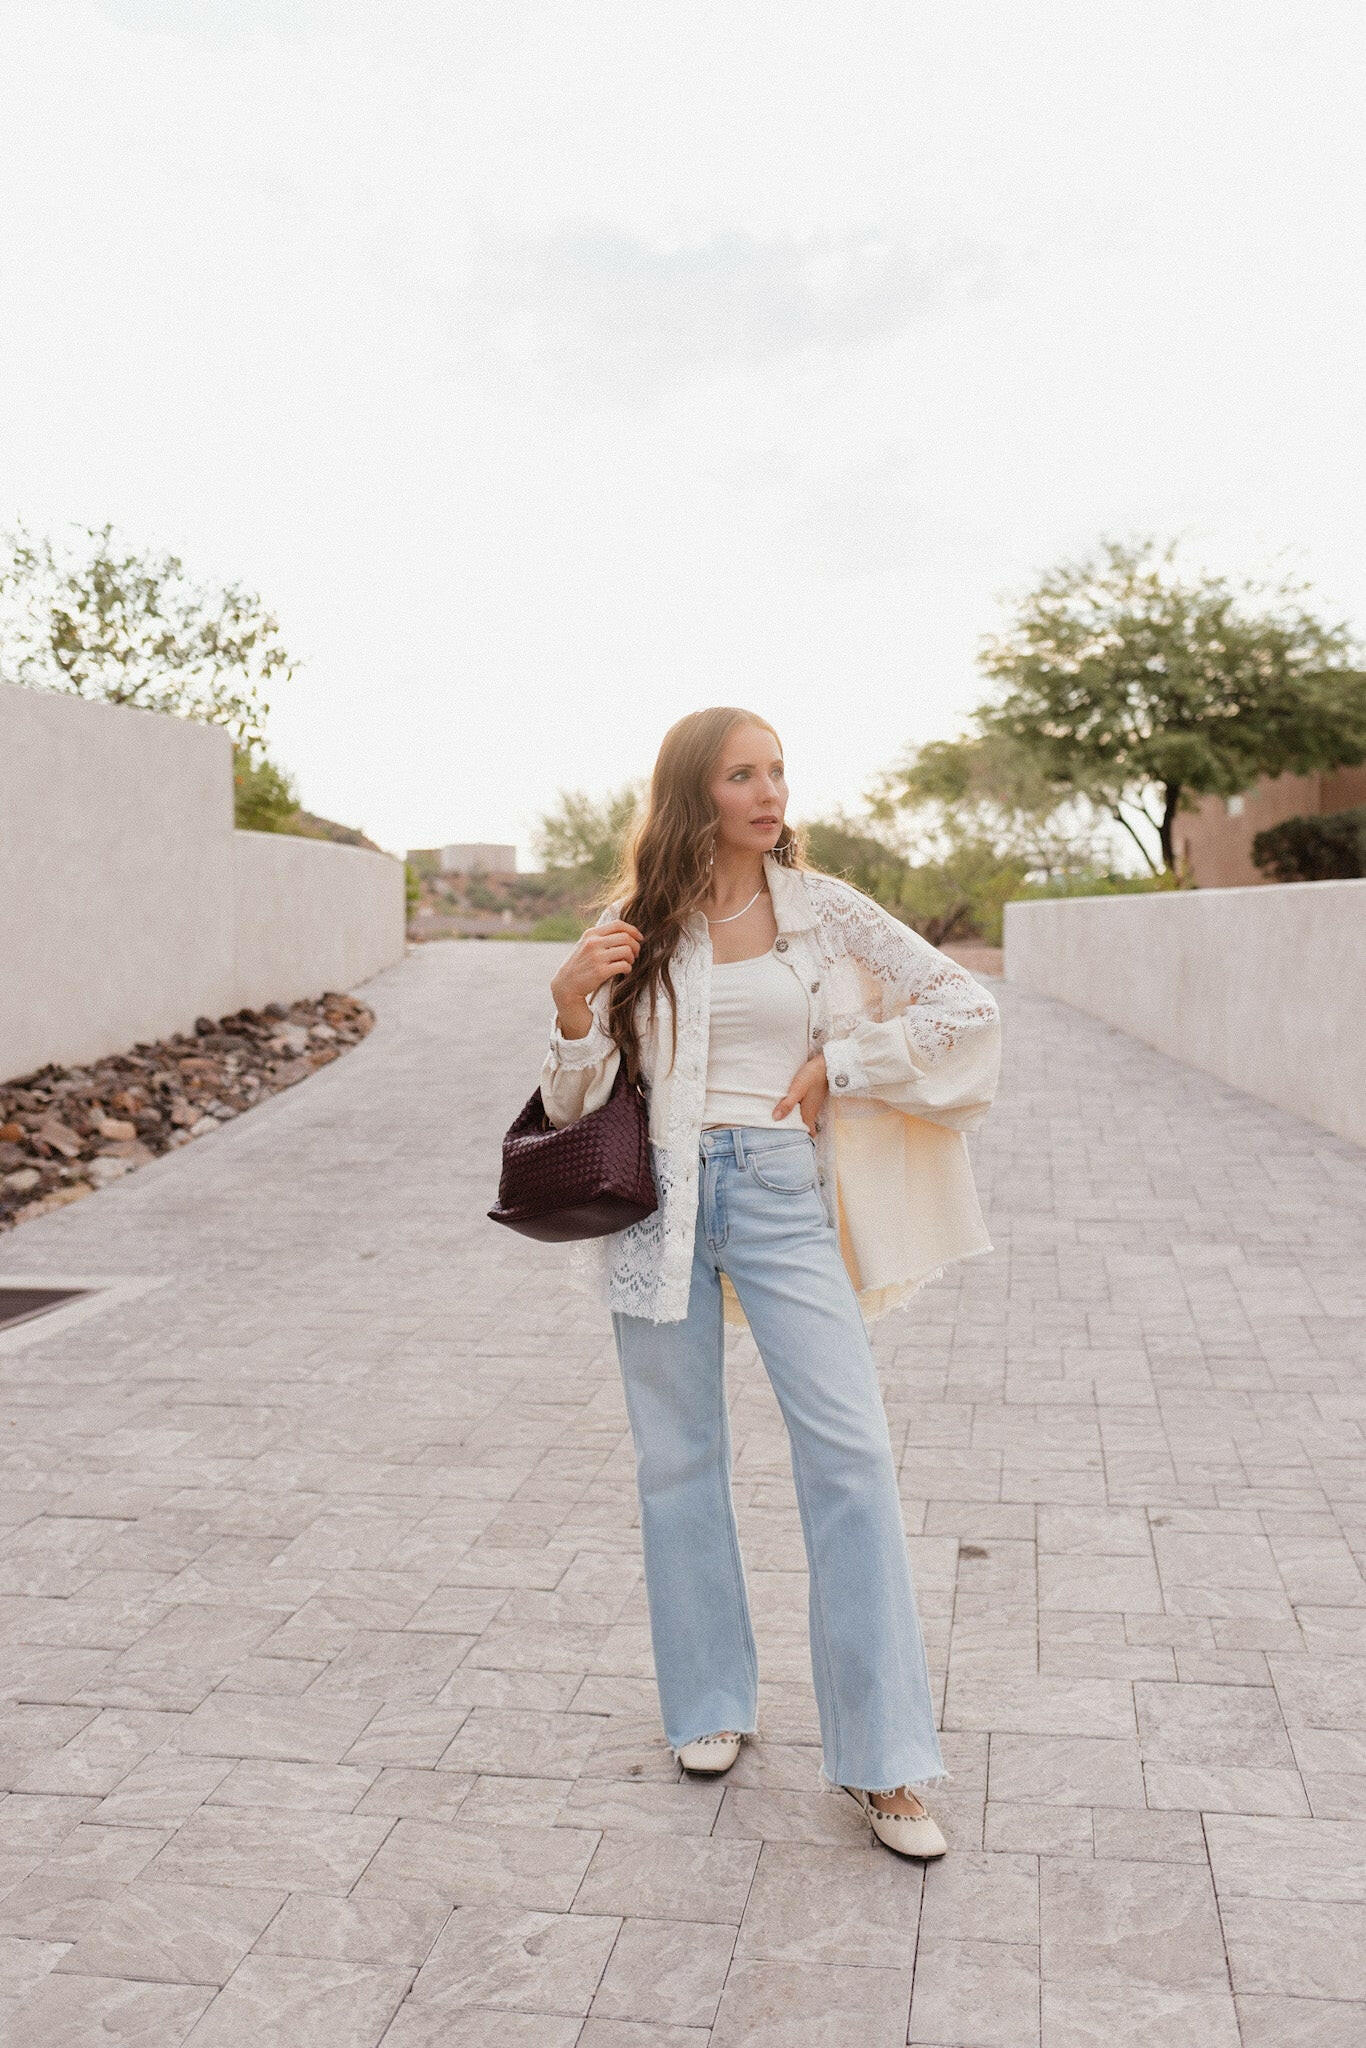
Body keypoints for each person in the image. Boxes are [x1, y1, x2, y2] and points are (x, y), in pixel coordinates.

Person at [539, 707, 1002, 1859]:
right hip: (658, 1207)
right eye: (742, 773)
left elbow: (965, 1006)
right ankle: (708, 1703)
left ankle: (885, 1760)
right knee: (678, 1457)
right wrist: (567, 1011)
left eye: (777, 770)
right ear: (695, 793)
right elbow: (570, 1110)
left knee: (849, 1455)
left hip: (780, 1187)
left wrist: (840, 1060)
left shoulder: (822, 908)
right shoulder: (633, 926)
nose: (767, 790)